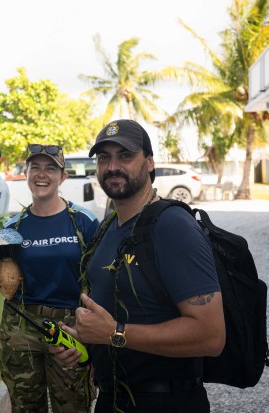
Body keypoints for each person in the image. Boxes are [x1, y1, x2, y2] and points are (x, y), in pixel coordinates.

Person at [50, 120, 225, 413]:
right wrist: (86, 342)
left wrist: (114, 333)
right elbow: (124, 314)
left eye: (125, 155)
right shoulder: (109, 228)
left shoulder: (172, 226)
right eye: (104, 157)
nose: (113, 166)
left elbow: (211, 335)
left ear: (150, 162)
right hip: (112, 399)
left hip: (165, 402)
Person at [0, 144, 99, 413]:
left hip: (70, 327)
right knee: (25, 407)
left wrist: (91, 336)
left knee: (74, 406)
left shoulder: (84, 223)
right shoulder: (13, 228)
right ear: (26, 173)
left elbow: (101, 282)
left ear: (63, 177)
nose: (42, 174)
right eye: (35, 167)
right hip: (21, 326)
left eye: (51, 168)